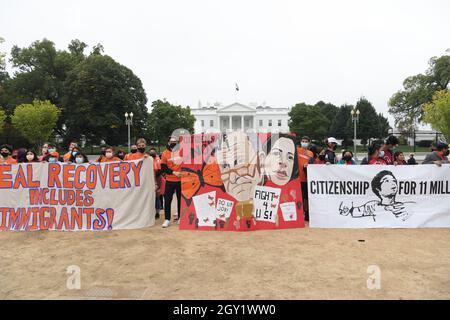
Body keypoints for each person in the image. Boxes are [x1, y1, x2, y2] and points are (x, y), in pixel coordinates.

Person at [160, 136, 183, 228]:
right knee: (168, 200)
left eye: (175, 141)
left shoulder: (181, 152)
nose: (173, 143)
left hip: (181, 180)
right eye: (171, 141)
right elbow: (163, 168)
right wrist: (174, 172)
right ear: (168, 142)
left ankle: (181, 217)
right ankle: (167, 219)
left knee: (181, 200)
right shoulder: (165, 153)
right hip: (169, 180)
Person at [296, 136, 314, 221]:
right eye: (303, 141)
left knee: (306, 197)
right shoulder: (297, 150)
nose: (304, 142)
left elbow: (313, 164)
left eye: (306, 141)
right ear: (300, 142)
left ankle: (306, 213)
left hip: (307, 178)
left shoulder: (311, 153)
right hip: (297, 178)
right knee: (298, 197)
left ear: (309, 142)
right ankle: (298, 213)